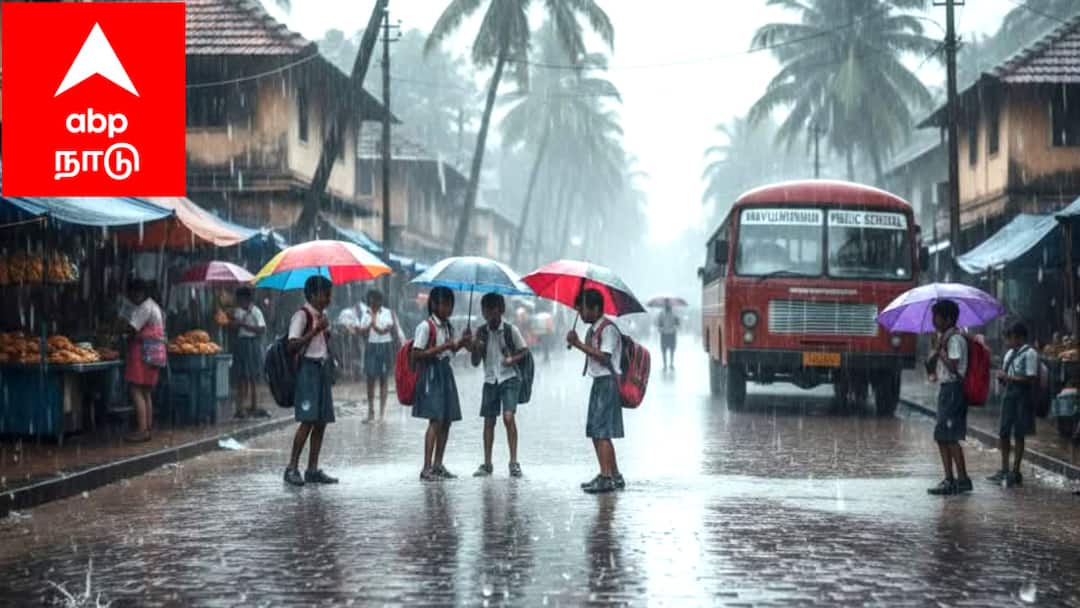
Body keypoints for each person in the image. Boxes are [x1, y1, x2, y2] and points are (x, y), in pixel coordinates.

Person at [567, 289, 626, 495]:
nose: (581, 313)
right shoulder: (593, 329)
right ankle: (613, 475)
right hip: (599, 382)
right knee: (597, 432)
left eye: (583, 309)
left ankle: (606, 477)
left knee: (602, 433)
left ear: (595, 308)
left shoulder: (607, 329)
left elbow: (604, 357)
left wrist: (578, 344)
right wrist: (577, 343)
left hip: (607, 383)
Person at [412, 286, 471, 481]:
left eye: (450, 305)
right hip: (431, 374)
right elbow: (416, 354)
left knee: (446, 420)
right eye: (445, 304)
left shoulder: (448, 327)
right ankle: (426, 467)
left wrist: (462, 343)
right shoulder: (426, 326)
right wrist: (442, 347)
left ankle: (438, 464)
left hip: (446, 373)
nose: (448, 309)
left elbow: (450, 351)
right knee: (435, 420)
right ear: (434, 305)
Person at [283, 276, 338, 487]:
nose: (329, 299)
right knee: (307, 421)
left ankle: (312, 469)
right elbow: (292, 346)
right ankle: (292, 467)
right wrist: (315, 330)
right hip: (307, 371)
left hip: (322, 369)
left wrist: (325, 332)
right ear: (313, 295)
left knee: (321, 421)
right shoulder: (301, 316)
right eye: (325, 294)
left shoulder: (322, 316)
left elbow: (321, 344)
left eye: (330, 295)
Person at [470, 293, 529, 478]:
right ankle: (487, 464)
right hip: (490, 380)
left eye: (493, 310)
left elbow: (524, 351)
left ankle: (514, 462)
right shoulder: (480, 332)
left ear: (501, 310)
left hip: (509, 378)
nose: (489, 315)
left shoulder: (511, 330)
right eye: (486, 311)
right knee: (489, 421)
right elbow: (474, 362)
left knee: (508, 417)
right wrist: (474, 346)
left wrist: (512, 359)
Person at [926, 300, 972, 496]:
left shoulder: (954, 339)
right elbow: (934, 367)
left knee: (950, 437)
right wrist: (935, 350)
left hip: (954, 390)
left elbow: (954, 367)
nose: (933, 321)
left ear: (948, 319)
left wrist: (939, 351)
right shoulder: (945, 339)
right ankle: (950, 478)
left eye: (936, 317)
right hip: (947, 390)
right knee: (942, 436)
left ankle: (961, 480)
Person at [989, 322, 1038, 487]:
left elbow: (1031, 378)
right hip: (1009, 395)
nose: (1007, 342)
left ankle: (1015, 471)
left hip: (1023, 396)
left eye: (1009, 338)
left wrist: (1009, 378)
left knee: (1019, 433)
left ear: (1019, 338)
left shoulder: (1030, 353)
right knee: (1004, 431)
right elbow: (1006, 376)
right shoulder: (1009, 353)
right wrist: (1002, 378)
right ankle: (1004, 469)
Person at [120, 279, 165, 443]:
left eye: (132, 294)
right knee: (146, 391)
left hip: (142, 352)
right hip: (154, 353)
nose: (132, 298)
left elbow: (132, 328)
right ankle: (147, 427)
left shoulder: (145, 307)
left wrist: (121, 328)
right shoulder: (154, 306)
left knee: (136, 389)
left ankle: (141, 430)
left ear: (139, 293)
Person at [360, 290, 401, 423]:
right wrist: (368, 325)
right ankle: (371, 411)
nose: (373, 303)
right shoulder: (366, 313)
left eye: (375, 300)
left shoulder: (387, 313)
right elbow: (362, 330)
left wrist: (373, 323)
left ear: (380, 301)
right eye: (371, 300)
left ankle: (382, 413)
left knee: (383, 379)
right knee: (370, 379)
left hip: (384, 346)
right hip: (371, 346)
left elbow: (384, 331)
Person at [231, 287, 269, 419]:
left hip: (252, 344)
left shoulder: (256, 311)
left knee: (254, 376)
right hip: (241, 344)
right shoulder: (237, 311)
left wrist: (244, 325)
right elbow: (233, 327)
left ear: (246, 299)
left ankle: (254, 406)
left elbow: (262, 329)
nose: (239, 302)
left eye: (241, 299)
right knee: (241, 377)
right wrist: (235, 324)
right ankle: (240, 407)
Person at [657, 301, 680, 371]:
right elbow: (659, 324)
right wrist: (661, 329)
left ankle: (671, 364)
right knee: (664, 350)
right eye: (666, 305)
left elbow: (678, 323)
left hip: (671, 334)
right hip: (664, 335)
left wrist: (674, 328)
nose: (668, 306)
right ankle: (665, 364)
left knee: (672, 350)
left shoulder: (675, 314)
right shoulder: (661, 314)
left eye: (669, 305)